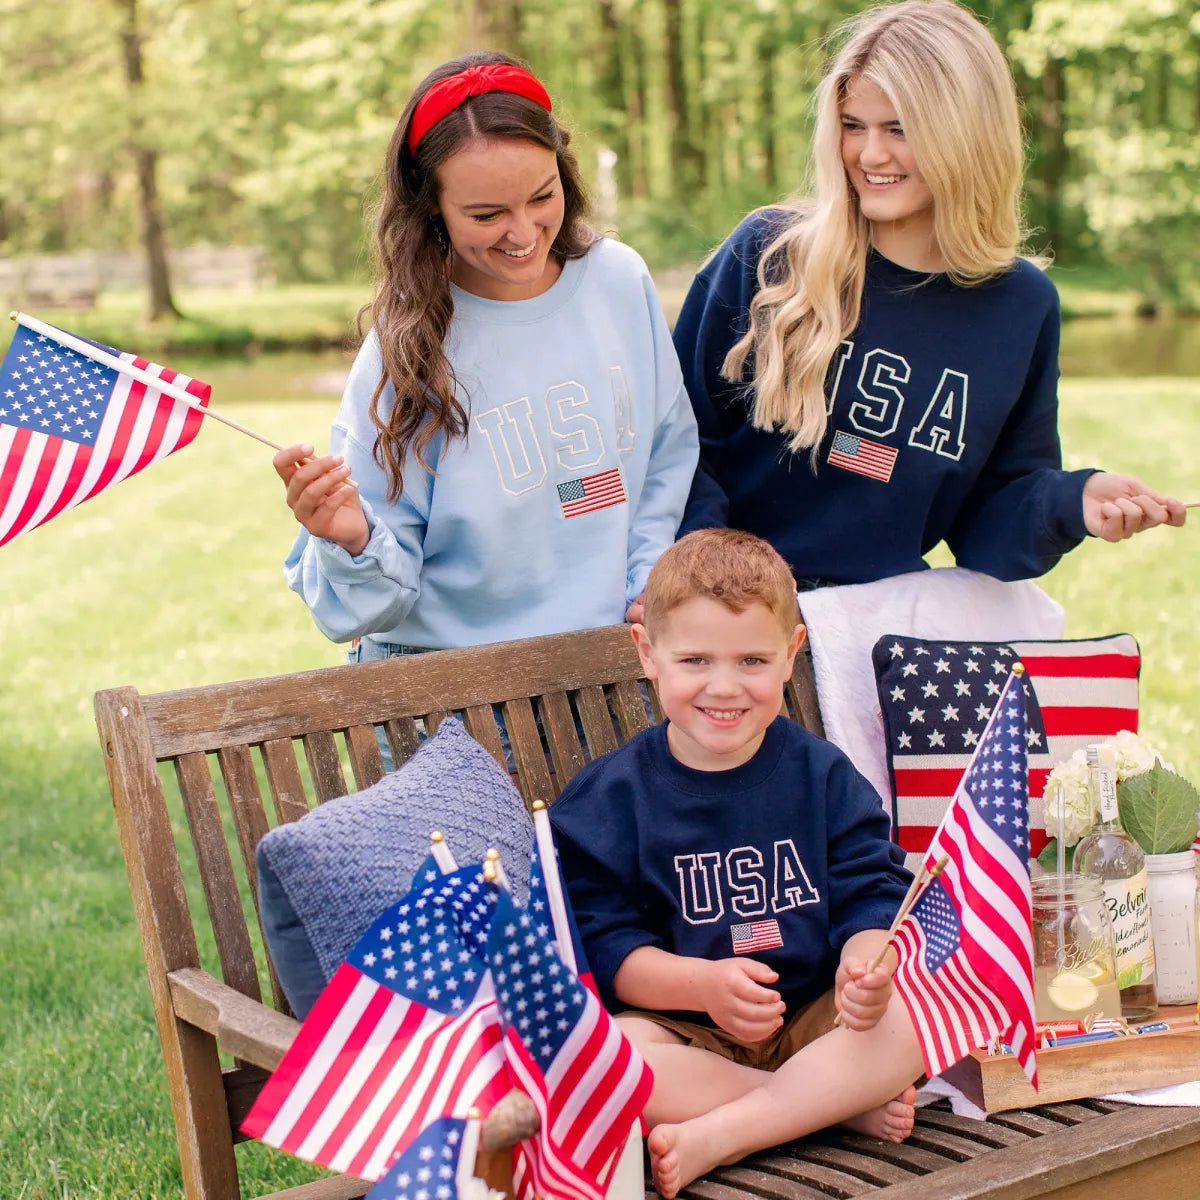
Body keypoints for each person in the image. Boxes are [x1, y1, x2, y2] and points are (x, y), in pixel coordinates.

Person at [673, 0, 1186, 591]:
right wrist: (714, 584)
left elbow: (986, 525)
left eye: (900, 129)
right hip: (726, 623)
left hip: (878, 632)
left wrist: (1073, 501)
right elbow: (677, 444)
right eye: (853, 125)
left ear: (966, 136)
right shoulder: (768, 256)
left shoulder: (1021, 305)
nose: (869, 155)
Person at [274, 52, 698, 666]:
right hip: (448, 687)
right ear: (432, 208)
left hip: (613, 660)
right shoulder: (407, 348)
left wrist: (647, 577)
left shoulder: (618, 280)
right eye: (486, 215)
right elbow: (366, 613)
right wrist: (353, 539)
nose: (523, 233)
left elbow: (666, 449)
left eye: (540, 196)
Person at [549, 529, 927, 1199]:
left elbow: (872, 889)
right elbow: (605, 945)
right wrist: (699, 987)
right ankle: (827, 1109)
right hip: (688, 1035)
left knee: (915, 1017)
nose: (724, 687)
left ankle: (728, 1130)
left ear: (791, 656)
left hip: (816, 1016)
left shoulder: (822, 776)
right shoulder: (611, 799)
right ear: (648, 653)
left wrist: (867, 964)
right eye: (695, 659)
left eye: (752, 660)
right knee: (604, 1063)